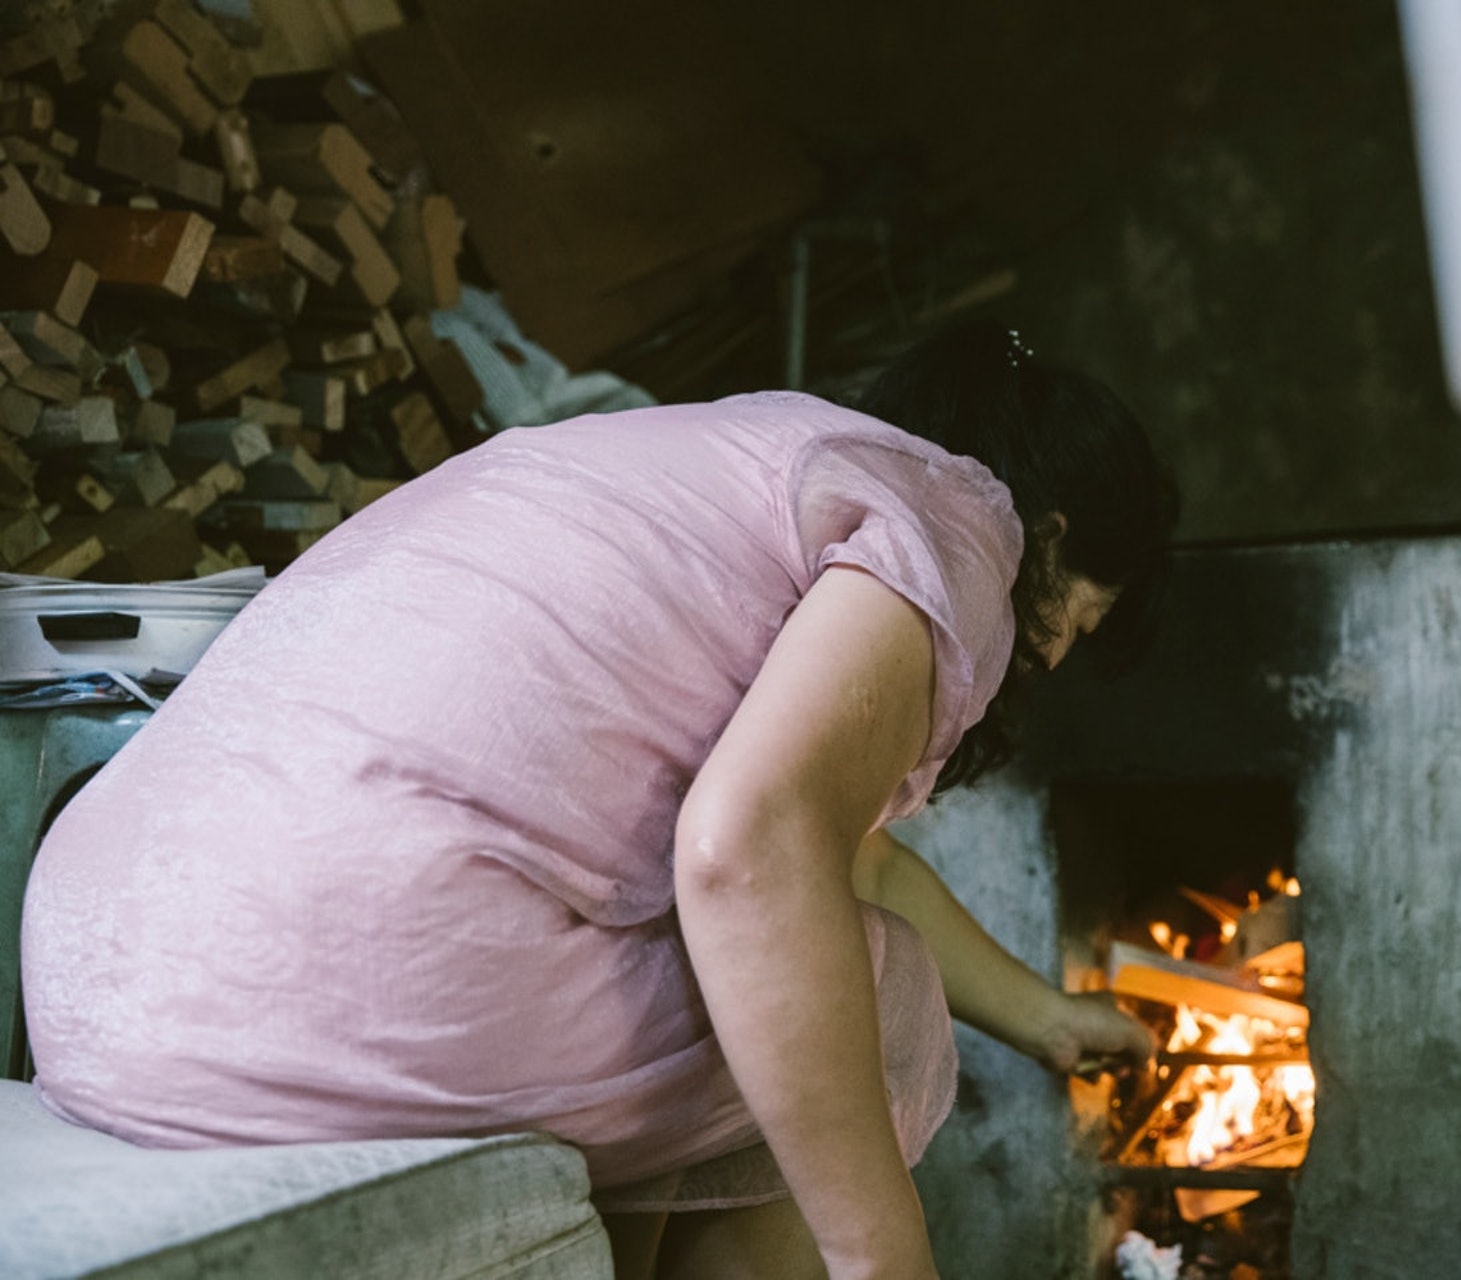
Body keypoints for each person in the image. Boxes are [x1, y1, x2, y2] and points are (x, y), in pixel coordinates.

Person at [20, 319, 1180, 1279]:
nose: (1052, 659)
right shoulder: (964, 524)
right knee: (873, 995)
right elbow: (754, 855)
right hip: (323, 981)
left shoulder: (728, 459)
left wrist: (1043, 1014)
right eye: (1079, 619)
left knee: (773, 952)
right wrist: (889, 1261)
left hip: (91, 980)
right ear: (1055, 529)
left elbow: (836, 858)